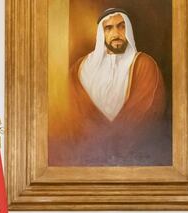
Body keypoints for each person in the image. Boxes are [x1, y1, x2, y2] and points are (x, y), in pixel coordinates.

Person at [50, 7, 168, 166]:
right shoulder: (81, 68)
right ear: (101, 33)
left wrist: (113, 146)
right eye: (109, 28)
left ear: (129, 30)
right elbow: (69, 111)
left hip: (133, 160)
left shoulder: (144, 64)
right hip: (84, 158)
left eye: (121, 26)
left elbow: (147, 110)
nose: (116, 33)